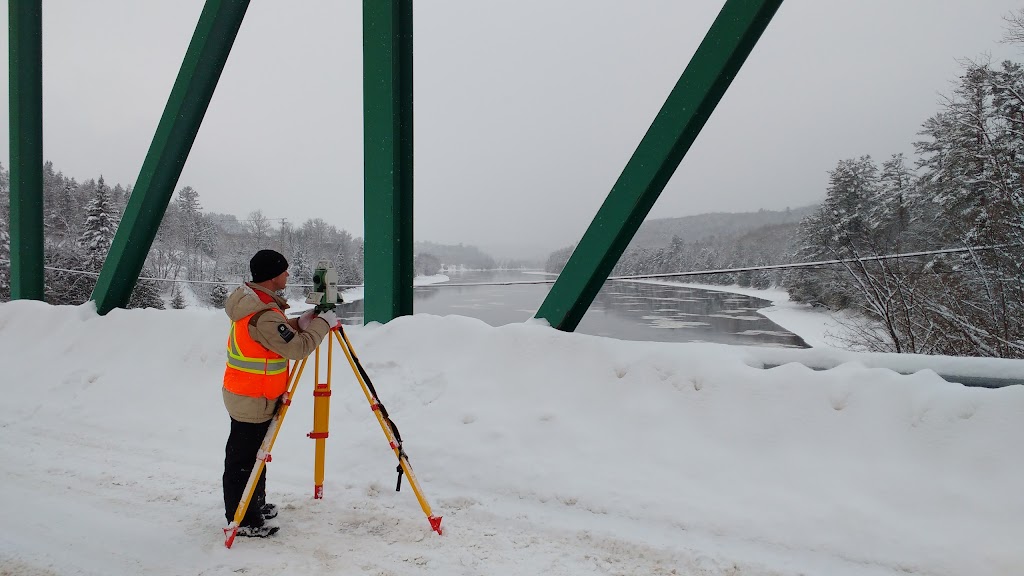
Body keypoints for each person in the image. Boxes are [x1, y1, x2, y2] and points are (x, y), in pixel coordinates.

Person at [222, 249, 339, 537]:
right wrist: (324, 323)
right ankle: (243, 520)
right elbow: (298, 348)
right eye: (284, 271)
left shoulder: (258, 303)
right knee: (244, 460)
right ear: (273, 276)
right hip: (252, 398)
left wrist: (301, 323)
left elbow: (276, 335)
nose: (288, 274)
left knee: (255, 455)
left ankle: (254, 504)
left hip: (251, 393)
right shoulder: (263, 314)